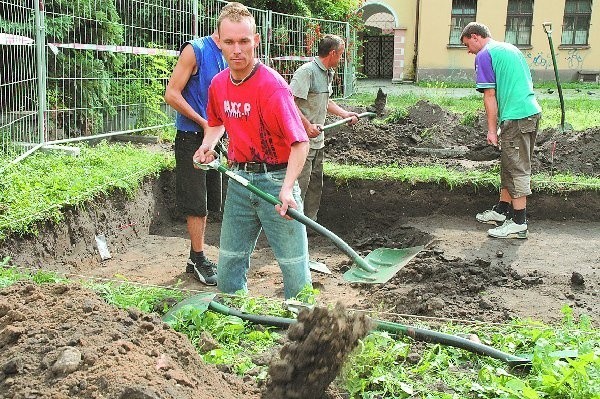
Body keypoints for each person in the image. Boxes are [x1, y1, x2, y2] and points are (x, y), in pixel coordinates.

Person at [194, 3, 312, 299]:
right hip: (238, 180)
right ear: (218, 41)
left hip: (276, 181)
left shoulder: (273, 87)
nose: (237, 49)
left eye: (244, 41)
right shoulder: (219, 85)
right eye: (230, 42)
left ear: (256, 41)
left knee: (293, 265)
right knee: (230, 261)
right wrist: (207, 145)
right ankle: (233, 317)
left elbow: (300, 142)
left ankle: (303, 326)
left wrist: (287, 190)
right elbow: (216, 123)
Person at [164, 4, 241, 285]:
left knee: (210, 200)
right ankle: (198, 258)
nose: (234, 47)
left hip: (215, 137)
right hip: (191, 137)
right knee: (196, 202)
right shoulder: (195, 50)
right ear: (217, 33)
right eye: (229, 39)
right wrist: (203, 121)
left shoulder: (227, 56)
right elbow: (171, 94)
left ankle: (194, 257)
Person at [460, 22, 541, 239]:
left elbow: (489, 96)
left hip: (516, 116)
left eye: (468, 45)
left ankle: (518, 223)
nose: (469, 51)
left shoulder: (484, 55)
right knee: (509, 163)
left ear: (475, 37)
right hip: (527, 112)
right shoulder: (508, 48)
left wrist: (492, 130)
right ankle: (502, 210)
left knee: (517, 167)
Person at [289, 34, 359, 221]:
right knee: (300, 185)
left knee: (315, 185)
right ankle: (294, 226)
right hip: (302, 142)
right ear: (333, 53)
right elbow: (288, 103)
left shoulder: (328, 72)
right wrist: (307, 125)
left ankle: (310, 224)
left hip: (318, 140)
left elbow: (325, 101)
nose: (341, 59)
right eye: (341, 55)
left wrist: (345, 114)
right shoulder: (307, 72)